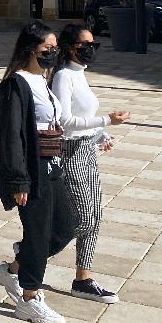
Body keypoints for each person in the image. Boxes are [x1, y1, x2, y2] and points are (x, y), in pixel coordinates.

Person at [0, 21, 77, 323]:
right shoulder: (16, 85)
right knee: (38, 235)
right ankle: (28, 299)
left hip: (53, 164)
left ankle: (14, 268)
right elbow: (11, 136)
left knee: (68, 225)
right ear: (30, 50)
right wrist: (19, 180)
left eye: (54, 49)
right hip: (31, 168)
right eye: (46, 50)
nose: (52, 54)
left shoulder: (43, 80)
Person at [52, 24, 130, 305]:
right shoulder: (62, 76)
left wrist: (100, 135)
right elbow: (64, 122)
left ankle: (83, 279)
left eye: (93, 44)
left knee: (96, 218)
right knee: (82, 218)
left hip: (87, 151)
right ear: (70, 47)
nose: (90, 49)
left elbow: (82, 121)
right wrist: (107, 120)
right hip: (69, 154)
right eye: (85, 44)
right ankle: (25, 256)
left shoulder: (80, 74)